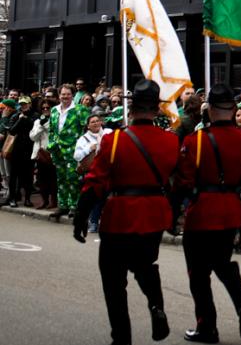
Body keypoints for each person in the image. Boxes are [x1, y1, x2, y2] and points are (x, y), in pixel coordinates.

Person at [73, 80, 180, 345]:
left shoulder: (114, 139)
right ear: (156, 110)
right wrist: (173, 214)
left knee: (113, 279)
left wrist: (81, 214)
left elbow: (95, 181)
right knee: (145, 266)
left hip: (120, 214)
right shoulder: (170, 141)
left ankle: (122, 337)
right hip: (154, 213)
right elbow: (178, 181)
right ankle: (156, 306)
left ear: (131, 109)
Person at [174, 84, 241, 343]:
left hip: (203, 210)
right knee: (221, 261)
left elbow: (183, 182)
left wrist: (172, 211)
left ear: (209, 109)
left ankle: (207, 325)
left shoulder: (194, 141)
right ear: (233, 110)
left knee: (198, 273)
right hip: (231, 208)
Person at [48, 82, 88, 218]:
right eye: (63, 94)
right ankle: (63, 205)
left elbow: (85, 129)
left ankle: (74, 205)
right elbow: (52, 130)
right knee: (61, 178)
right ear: (59, 96)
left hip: (73, 149)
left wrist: (83, 147)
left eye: (68, 94)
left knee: (73, 178)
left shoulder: (80, 109)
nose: (65, 97)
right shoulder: (54, 110)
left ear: (73, 95)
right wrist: (51, 144)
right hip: (57, 149)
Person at [73, 108, 112, 232]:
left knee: (108, 198)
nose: (95, 123)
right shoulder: (83, 139)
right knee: (96, 198)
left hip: (109, 172)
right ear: (88, 126)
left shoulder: (108, 133)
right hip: (92, 173)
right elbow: (77, 156)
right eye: (92, 122)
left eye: (97, 121)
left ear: (101, 122)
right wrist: (89, 149)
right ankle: (93, 222)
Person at [5, 96, 35, 206]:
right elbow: (12, 131)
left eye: (25, 104)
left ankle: (27, 198)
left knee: (28, 175)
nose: (23, 106)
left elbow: (35, 128)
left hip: (29, 149)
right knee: (14, 175)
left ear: (30, 104)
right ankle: (12, 198)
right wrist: (20, 120)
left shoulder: (35, 116)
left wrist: (26, 119)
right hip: (16, 149)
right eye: (21, 104)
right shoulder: (16, 115)